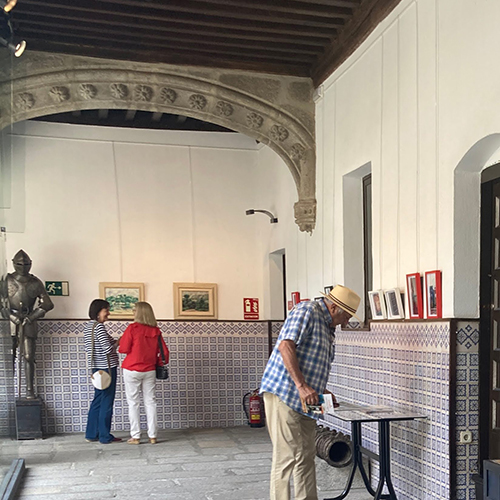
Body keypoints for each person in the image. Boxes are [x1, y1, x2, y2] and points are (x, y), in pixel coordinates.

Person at [260, 284, 361, 500]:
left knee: (306, 454)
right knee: (287, 456)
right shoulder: (307, 311)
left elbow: (312, 361)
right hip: (285, 392)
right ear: (334, 308)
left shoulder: (328, 326)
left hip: (308, 398)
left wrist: (322, 389)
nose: (345, 322)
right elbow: (285, 346)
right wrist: (302, 386)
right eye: (345, 317)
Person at [1, 250, 54, 399]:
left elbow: (48, 304)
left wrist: (32, 317)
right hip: (10, 321)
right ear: (14, 263)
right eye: (20, 264)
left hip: (29, 319)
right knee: (9, 357)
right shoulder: (6, 280)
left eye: (26, 264)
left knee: (29, 356)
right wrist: (11, 316)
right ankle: (8, 391)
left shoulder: (35, 282)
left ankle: (30, 390)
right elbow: (1, 305)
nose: (23, 267)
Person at [119, 301, 169, 445]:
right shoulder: (156, 331)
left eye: (134, 310)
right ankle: (153, 435)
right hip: (149, 370)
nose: (133, 312)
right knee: (150, 402)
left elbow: (123, 349)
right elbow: (165, 352)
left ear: (139, 313)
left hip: (131, 369)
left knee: (133, 403)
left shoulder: (132, 328)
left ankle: (135, 436)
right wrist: (157, 363)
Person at [84, 299, 121, 444]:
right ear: (98, 312)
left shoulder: (89, 326)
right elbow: (107, 349)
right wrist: (118, 343)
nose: (108, 313)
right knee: (106, 401)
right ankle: (105, 436)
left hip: (96, 368)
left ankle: (91, 434)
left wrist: (114, 341)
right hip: (107, 368)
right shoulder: (99, 327)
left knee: (97, 400)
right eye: (106, 310)